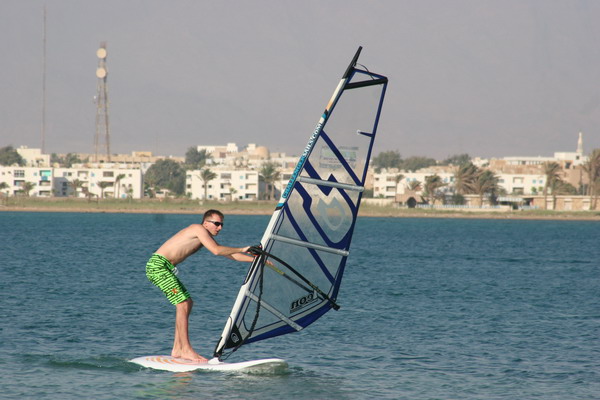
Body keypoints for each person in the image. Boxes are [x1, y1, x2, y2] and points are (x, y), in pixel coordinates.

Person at [145, 209, 255, 362]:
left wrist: (255, 260)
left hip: (163, 268)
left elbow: (227, 253)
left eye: (221, 224)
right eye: (216, 223)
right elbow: (217, 251)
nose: (220, 227)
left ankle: (177, 348)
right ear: (205, 223)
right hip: (158, 267)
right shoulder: (198, 228)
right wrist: (244, 248)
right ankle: (186, 350)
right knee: (182, 303)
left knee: (187, 303)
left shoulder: (205, 235)